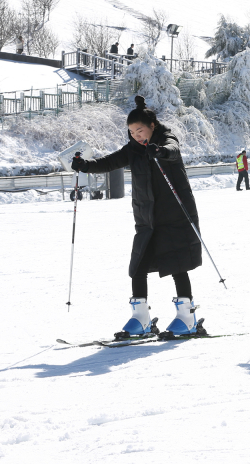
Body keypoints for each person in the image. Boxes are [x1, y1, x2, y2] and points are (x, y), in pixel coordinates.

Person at [70, 95, 203, 338]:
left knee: (177, 266)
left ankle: (187, 317)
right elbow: (109, 162)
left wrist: (159, 151)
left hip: (174, 216)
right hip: (146, 218)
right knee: (138, 266)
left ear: (152, 126)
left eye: (139, 130)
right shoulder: (133, 149)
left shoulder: (166, 139)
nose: (136, 136)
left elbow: (172, 150)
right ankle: (141, 318)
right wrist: (86, 166)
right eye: (132, 132)